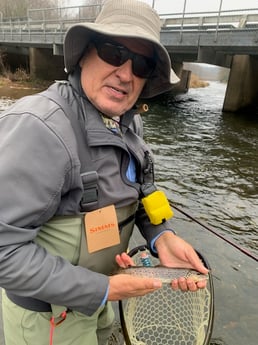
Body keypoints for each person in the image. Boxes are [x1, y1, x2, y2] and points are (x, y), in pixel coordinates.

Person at [0, 0, 209, 344]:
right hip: (48, 318)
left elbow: (140, 192)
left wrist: (162, 236)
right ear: (83, 55)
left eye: (140, 63)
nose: (125, 73)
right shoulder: (40, 129)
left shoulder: (130, 122)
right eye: (114, 52)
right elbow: (5, 252)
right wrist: (105, 288)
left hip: (100, 298)